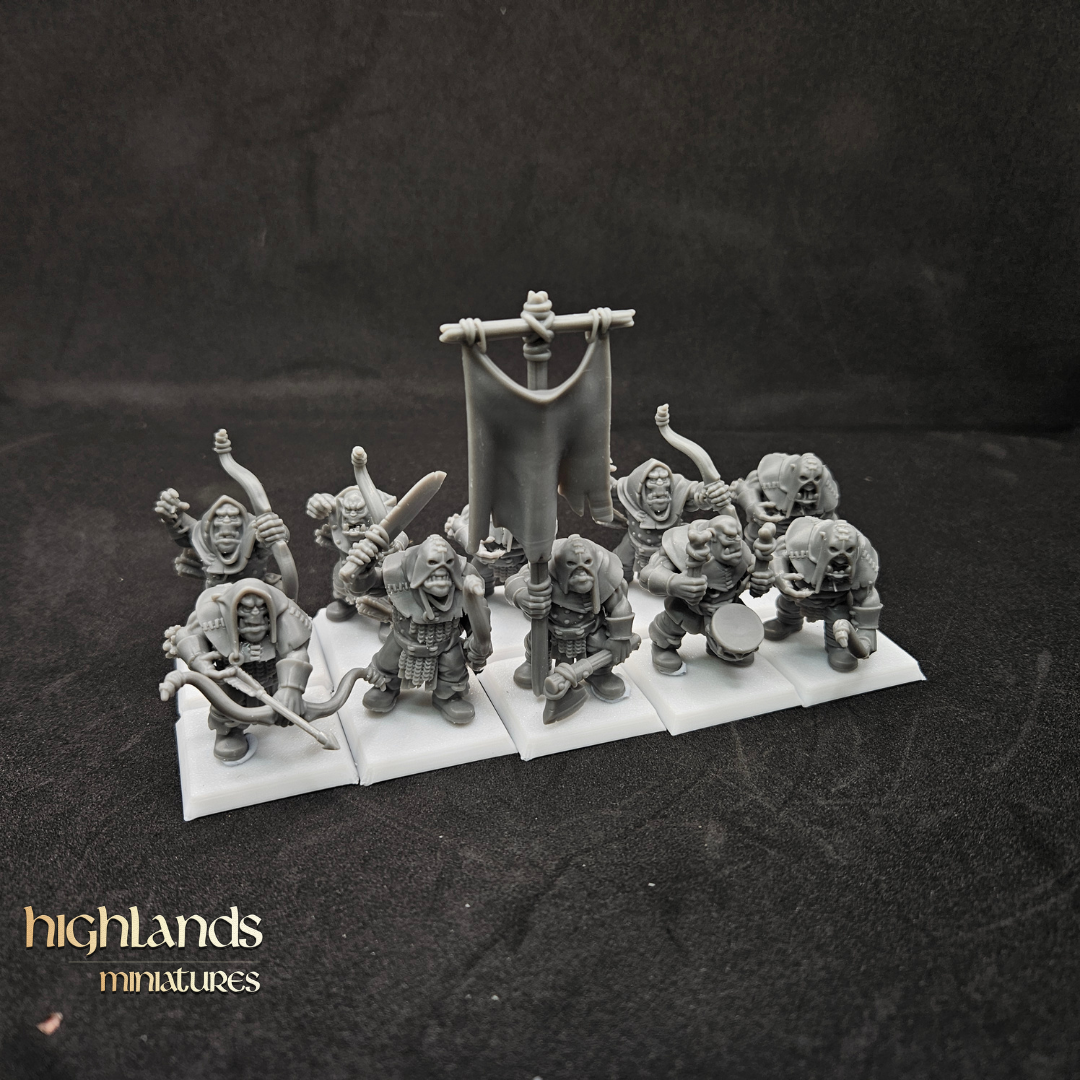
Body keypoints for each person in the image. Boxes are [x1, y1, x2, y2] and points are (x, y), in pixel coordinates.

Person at [344, 533, 492, 724]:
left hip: (447, 644)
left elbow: (475, 618)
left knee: (453, 672)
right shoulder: (399, 577)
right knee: (386, 665)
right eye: (432, 571)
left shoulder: (465, 583)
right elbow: (365, 586)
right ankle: (386, 688)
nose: (440, 579)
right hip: (402, 641)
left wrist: (477, 642)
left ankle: (448, 697)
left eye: (446, 571)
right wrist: (364, 569)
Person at [168, 578, 313, 761]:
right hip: (233, 680)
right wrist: (201, 663)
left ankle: (289, 708)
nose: (255, 615)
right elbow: (186, 635)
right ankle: (229, 733)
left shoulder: (284, 614)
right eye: (246, 609)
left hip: (275, 677)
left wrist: (291, 688)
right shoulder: (212, 614)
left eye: (261, 609)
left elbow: (296, 652)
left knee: (288, 701)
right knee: (228, 710)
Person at [505, 534, 635, 718]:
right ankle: (534, 664)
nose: (581, 573)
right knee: (536, 642)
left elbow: (620, 605)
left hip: (589, 631)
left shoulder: (605, 576)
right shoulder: (544, 573)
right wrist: (521, 595)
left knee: (600, 644)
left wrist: (620, 637)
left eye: (587, 563)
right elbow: (515, 581)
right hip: (552, 631)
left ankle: (600, 674)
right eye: (572, 565)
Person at [640, 515, 773, 672]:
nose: (735, 547)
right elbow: (648, 574)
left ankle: (718, 646)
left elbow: (759, 571)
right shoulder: (678, 550)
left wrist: (762, 580)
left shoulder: (741, 552)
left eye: (737, 538)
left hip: (727, 607)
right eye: (728, 541)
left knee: (734, 637)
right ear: (713, 538)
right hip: (690, 606)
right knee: (669, 627)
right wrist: (673, 582)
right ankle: (662, 648)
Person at [764, 517, 881, 672]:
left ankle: (837, 647)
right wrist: (781, 577)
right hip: (798, 595)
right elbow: (777, 554)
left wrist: (865, 637)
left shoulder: (862, 563)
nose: (840, 561)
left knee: (838, 618)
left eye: (849, 551)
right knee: (787, 604)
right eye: (833, 549)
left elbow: (867, 600)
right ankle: (788, 622)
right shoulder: (799, 545)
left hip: (835, 602)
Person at [610, 458, 732, 581]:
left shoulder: (677, 488)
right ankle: (621, 583)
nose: (659, 484)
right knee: (620, 564)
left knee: (667, 574)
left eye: (663, 480)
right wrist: (600, 472)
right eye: (653, 480)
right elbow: (608, 489)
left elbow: (694, 490)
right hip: (634, 540)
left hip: (668, 545)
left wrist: (708, 492)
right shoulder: (629, 489)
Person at [155, 490, 289, 587]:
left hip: (257, 589)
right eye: (220, 518)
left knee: (282, 598)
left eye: (233, 517)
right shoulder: (203, 535)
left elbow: (273, 538)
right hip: (217, 594)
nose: (226, 523)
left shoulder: (252, 534)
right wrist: (172, 515)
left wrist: (275, 529)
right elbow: (184, 532)